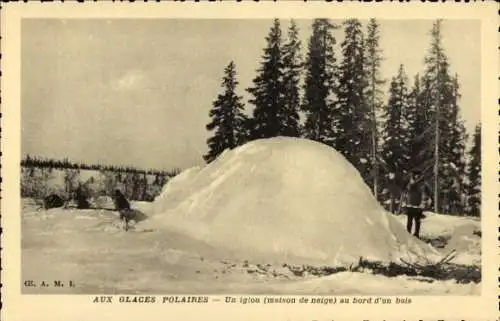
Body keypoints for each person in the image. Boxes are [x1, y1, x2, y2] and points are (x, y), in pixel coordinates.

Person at [402, 171, 430, 238]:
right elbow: (406, 192)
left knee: (417, 220)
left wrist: (423, 203)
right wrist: (405, 202)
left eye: (417, 175)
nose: (416, 176)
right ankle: (408, 233)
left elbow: (425, 194)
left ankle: (416, 234)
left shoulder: (423, 184)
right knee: (410, 220)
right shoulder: (410, 183)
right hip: (410, 204)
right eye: (415, 175)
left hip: (418, 205)